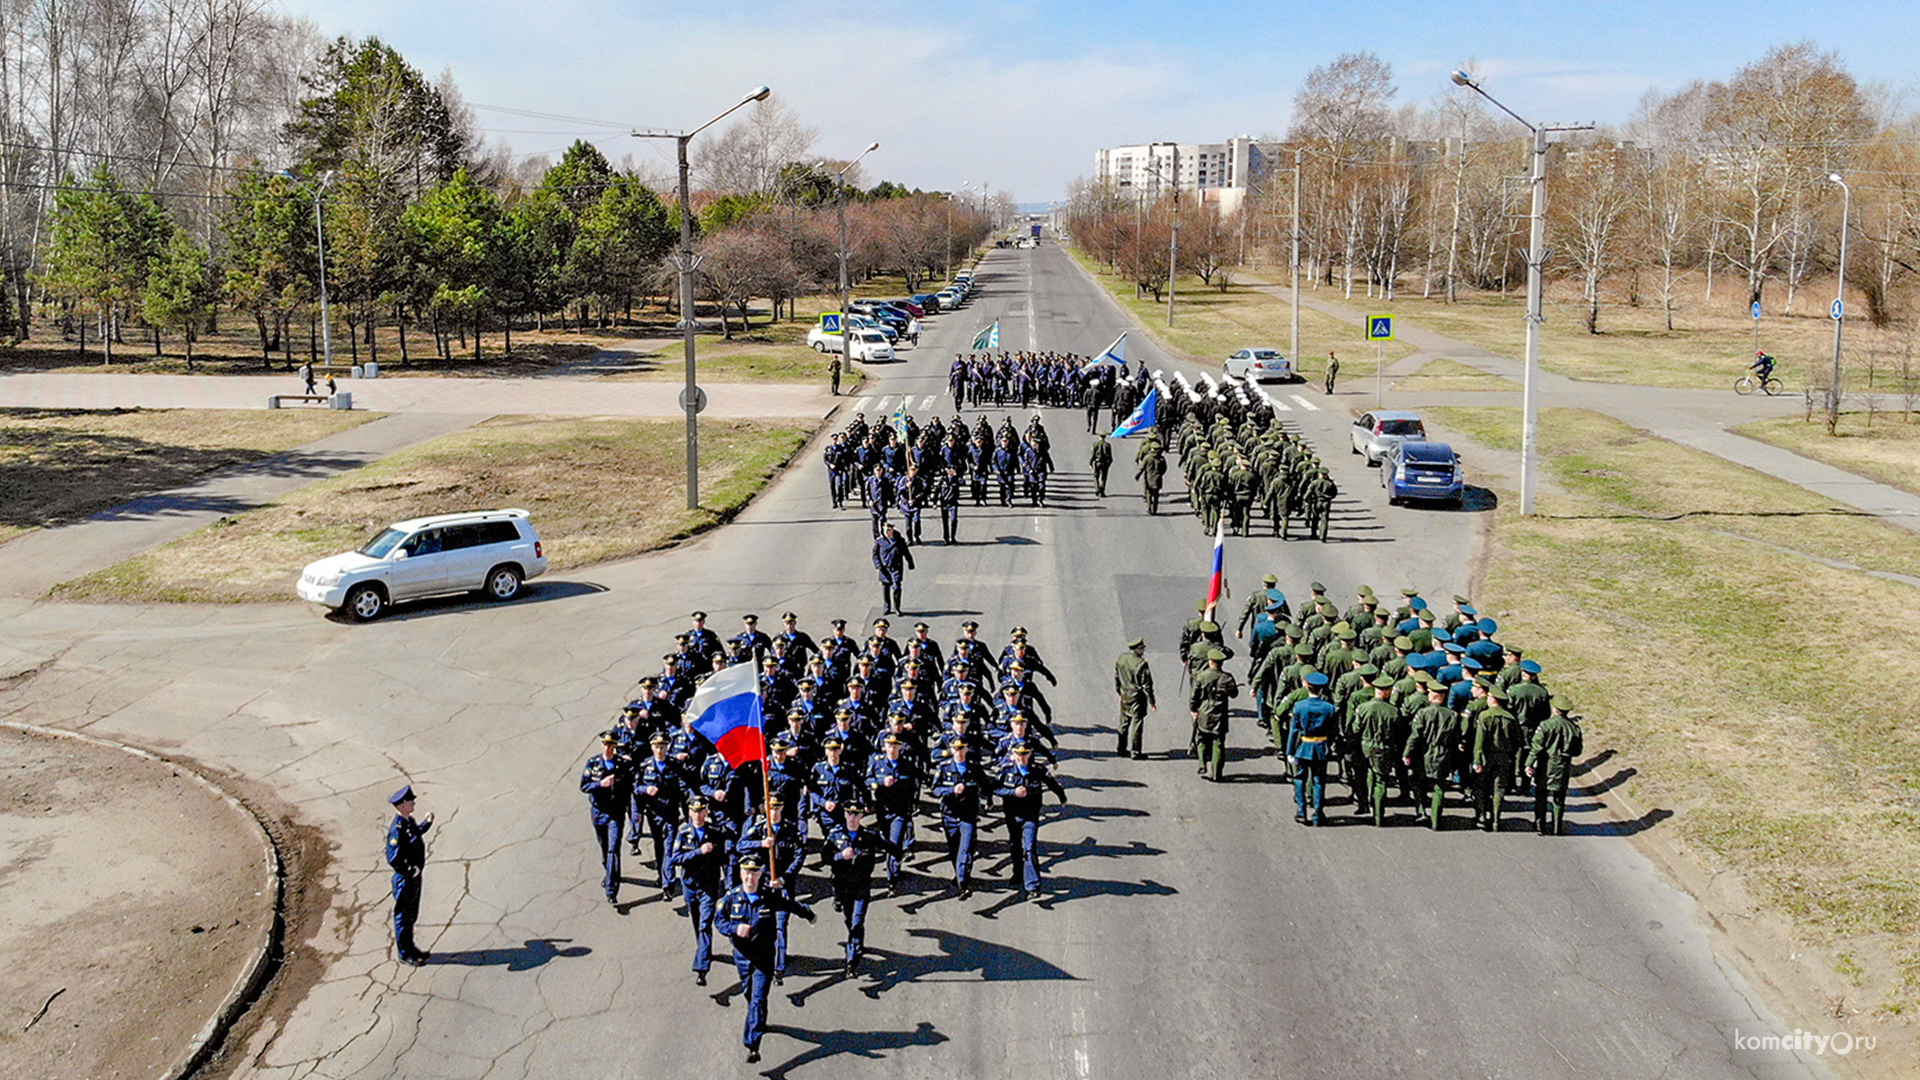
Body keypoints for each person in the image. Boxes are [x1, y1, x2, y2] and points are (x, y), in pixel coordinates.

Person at [719, 854, 815, 1063]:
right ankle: (758, 1021)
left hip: (764, 957)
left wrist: (808, 914)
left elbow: (790, 905)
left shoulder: (768, 896)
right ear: (740, 873)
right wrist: (735, 928)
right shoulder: (732, 897)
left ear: (761, 874)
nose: (750, 878)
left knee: (758, 999)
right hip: (743, 957)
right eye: (746, 872)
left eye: (754, 873)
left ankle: (753, 1045)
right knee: (750, 994)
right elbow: (719, 922)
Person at [825, 799, 902, 975]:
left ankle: (853, 961)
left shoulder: (868, 836)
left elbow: (890, 847)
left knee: (857, 923)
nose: (852, 818)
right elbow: (825, 857)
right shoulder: (835, 835)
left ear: (862, 815)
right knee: (849, 919)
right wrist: (840, 856)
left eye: (856, 814)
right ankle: (856, 944)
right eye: (849, 813)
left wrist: (898, 855)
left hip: (861, 885)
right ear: (845, 814)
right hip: (842, 886)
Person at [667, 796, 731, 985]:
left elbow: (724, 861)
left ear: (706, 812)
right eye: (693, 811)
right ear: (689, 812)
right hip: (690, 886)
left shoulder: (715, 832)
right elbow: (675, 858)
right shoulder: (684, 832)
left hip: (709, 887)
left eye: (700, 811)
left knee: (705, 924)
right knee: (696, 921)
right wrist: (699, 852)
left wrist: (728, 886)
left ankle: (701, 969)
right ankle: (704, 949)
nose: (697, 815)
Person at [995, 740, 1067, 900]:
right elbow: (995, 788)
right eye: (1018, 754)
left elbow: (1052, 783)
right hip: (1013, 815)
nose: (1022, 757)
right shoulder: (1006, 771)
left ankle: (1033, 885)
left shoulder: (1037, 770)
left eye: (1025, 754)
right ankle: (1017, 874)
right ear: (1013, 755)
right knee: (1015, 845)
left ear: (1030, 755)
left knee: (1029, 848)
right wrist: (1013, 792)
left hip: (1030, 816)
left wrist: (1062, 797)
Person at [385, 784, 434, 966]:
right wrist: (410, 871)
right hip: (405, 880)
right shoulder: (396, 830)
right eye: (410, 801)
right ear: (403, 805)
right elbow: (394, 858)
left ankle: (411, 947)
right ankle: (405, 954)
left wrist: (426, 824)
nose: (413, 803)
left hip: (414, 877)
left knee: (411, 915)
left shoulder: (408, 821)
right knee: (403, 918)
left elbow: (415, 834)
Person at [580, 732, 630, 904]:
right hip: (599, 812)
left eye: (611, 746)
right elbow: (584, 786)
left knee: (613, 849)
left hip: (616, 813)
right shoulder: (593, 763)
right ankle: (609, 870)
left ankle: (611, 889)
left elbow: (630, 787)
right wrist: (600, 784)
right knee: (604, 846)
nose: (608, 749)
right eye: (605, 745)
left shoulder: (622, 764)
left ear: (615, 747)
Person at [931, 735, 984, 899]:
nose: (959, 752)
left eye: (962, 748)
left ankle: (963, 883)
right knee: (954, 849)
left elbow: (986, 785)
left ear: (967, 749)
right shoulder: (944, 767)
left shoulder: (974, 767)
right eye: (955, 749)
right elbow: (935, 790)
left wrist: (988, 801)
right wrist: (951, 790)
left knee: (966, 849)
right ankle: (959, 874)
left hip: (968, 814)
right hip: (950, 815)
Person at [1527, 695, 1585, 835]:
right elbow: (1577, 751)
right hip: (1562, 766)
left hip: (1545, 765)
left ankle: (1540, 823)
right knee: (1559, 798)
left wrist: (1529, 763)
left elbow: (1536, 746)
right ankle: (1557, 826)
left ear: (1555, 709)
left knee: (1541, 795)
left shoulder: (1546, 725)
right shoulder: (1574, 729)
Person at [1288, 672, 1337, 825]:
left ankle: (1301, 811)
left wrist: (1290, 751)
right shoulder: (1329, 708)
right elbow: (1333, 731)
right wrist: (1328, 745)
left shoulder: (1300, 706)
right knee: (1319, 781)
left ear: (1307, 686)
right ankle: (1318, 813)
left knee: (1300, 779)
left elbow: (1294, 730)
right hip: (1321, 747)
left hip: (1304, 746)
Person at [1189, 647, 1239, 781]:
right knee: (1218, 742)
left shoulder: (1201, 675)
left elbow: (1194, 695)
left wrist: (1193, 709)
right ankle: (1217, 773)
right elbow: (1234, 694)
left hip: (1204, 710)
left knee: (1201, 737)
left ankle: (1202, 763)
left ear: (1210, 661)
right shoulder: (1227, 678)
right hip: (1220, 713)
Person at [1114, 637, 1156, 759]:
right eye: (1141, 648)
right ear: (1136, 649)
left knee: (1124, 723)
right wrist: (1152, 702)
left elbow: (1117, 677)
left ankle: (1121, 749)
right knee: (1137, 725)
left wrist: (1118, 691)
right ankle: (1136, 751)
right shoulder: (1141, 664)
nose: (1143, 650)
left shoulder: (1122, 659)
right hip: (1137, 698)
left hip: (1125, 695)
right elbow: (1148, 685)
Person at [873, 521, 915, 615]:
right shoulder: (880, 541)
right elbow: (875, 554)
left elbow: (906, 552)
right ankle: (887, 607)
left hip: (896, 567)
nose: (887, 532)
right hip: (884, 569)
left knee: (897, 588)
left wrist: (910, 563)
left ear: (892, 530)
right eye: (885, 530)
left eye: (889, 530)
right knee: (885, 588)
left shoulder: (899, 540)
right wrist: (878, 565)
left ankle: (897, 607)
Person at [1089, 433, 1113, 497]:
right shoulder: (1108, 445)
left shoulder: (1096, 444)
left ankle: (1097, 489)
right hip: (1105, 463)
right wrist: (1109, 463)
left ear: (1100, 436)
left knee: (1096, 476)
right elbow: (1110, 457)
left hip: (1097, 462)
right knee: (1104, 477)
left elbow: (1093, 454)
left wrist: (1090, 462)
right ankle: (1102, 491)